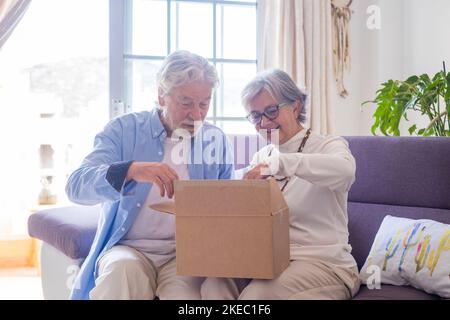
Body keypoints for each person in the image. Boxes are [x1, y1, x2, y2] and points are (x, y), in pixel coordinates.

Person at [66, 50, 234, 300]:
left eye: (204, 103)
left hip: (185, 255)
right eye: (186, 102)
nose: (197, 114)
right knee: (120, 273)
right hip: (128, 249)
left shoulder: (215, 141)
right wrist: (132, 170)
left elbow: (227, 209)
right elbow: (76, 186)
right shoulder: (124, 130)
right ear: (161, 96)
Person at [201, 69, 360, 300]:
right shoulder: (260, 157)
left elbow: (346, 173)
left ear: (295, 107)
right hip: (268, 262)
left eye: (271, 110)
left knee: (258, 296)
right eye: (255, 116)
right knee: (213, 284)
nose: (264, 122)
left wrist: (281, 163)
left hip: (324, 263)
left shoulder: (328, 145)